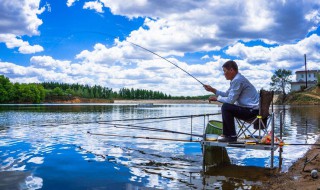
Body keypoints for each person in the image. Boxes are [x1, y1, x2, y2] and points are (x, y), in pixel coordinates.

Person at [203, 60, 259, 142]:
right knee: (226, 106)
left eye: (225, 71)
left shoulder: (238, 80)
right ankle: (227, 134)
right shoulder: (236, 80)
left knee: (226, 106)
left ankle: (231, 136)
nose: (224, 73)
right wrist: (212, 90)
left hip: (252, 112)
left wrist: (216, 98)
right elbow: (226, 94)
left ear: (231, 70)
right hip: (251, 110)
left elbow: (230, 101)